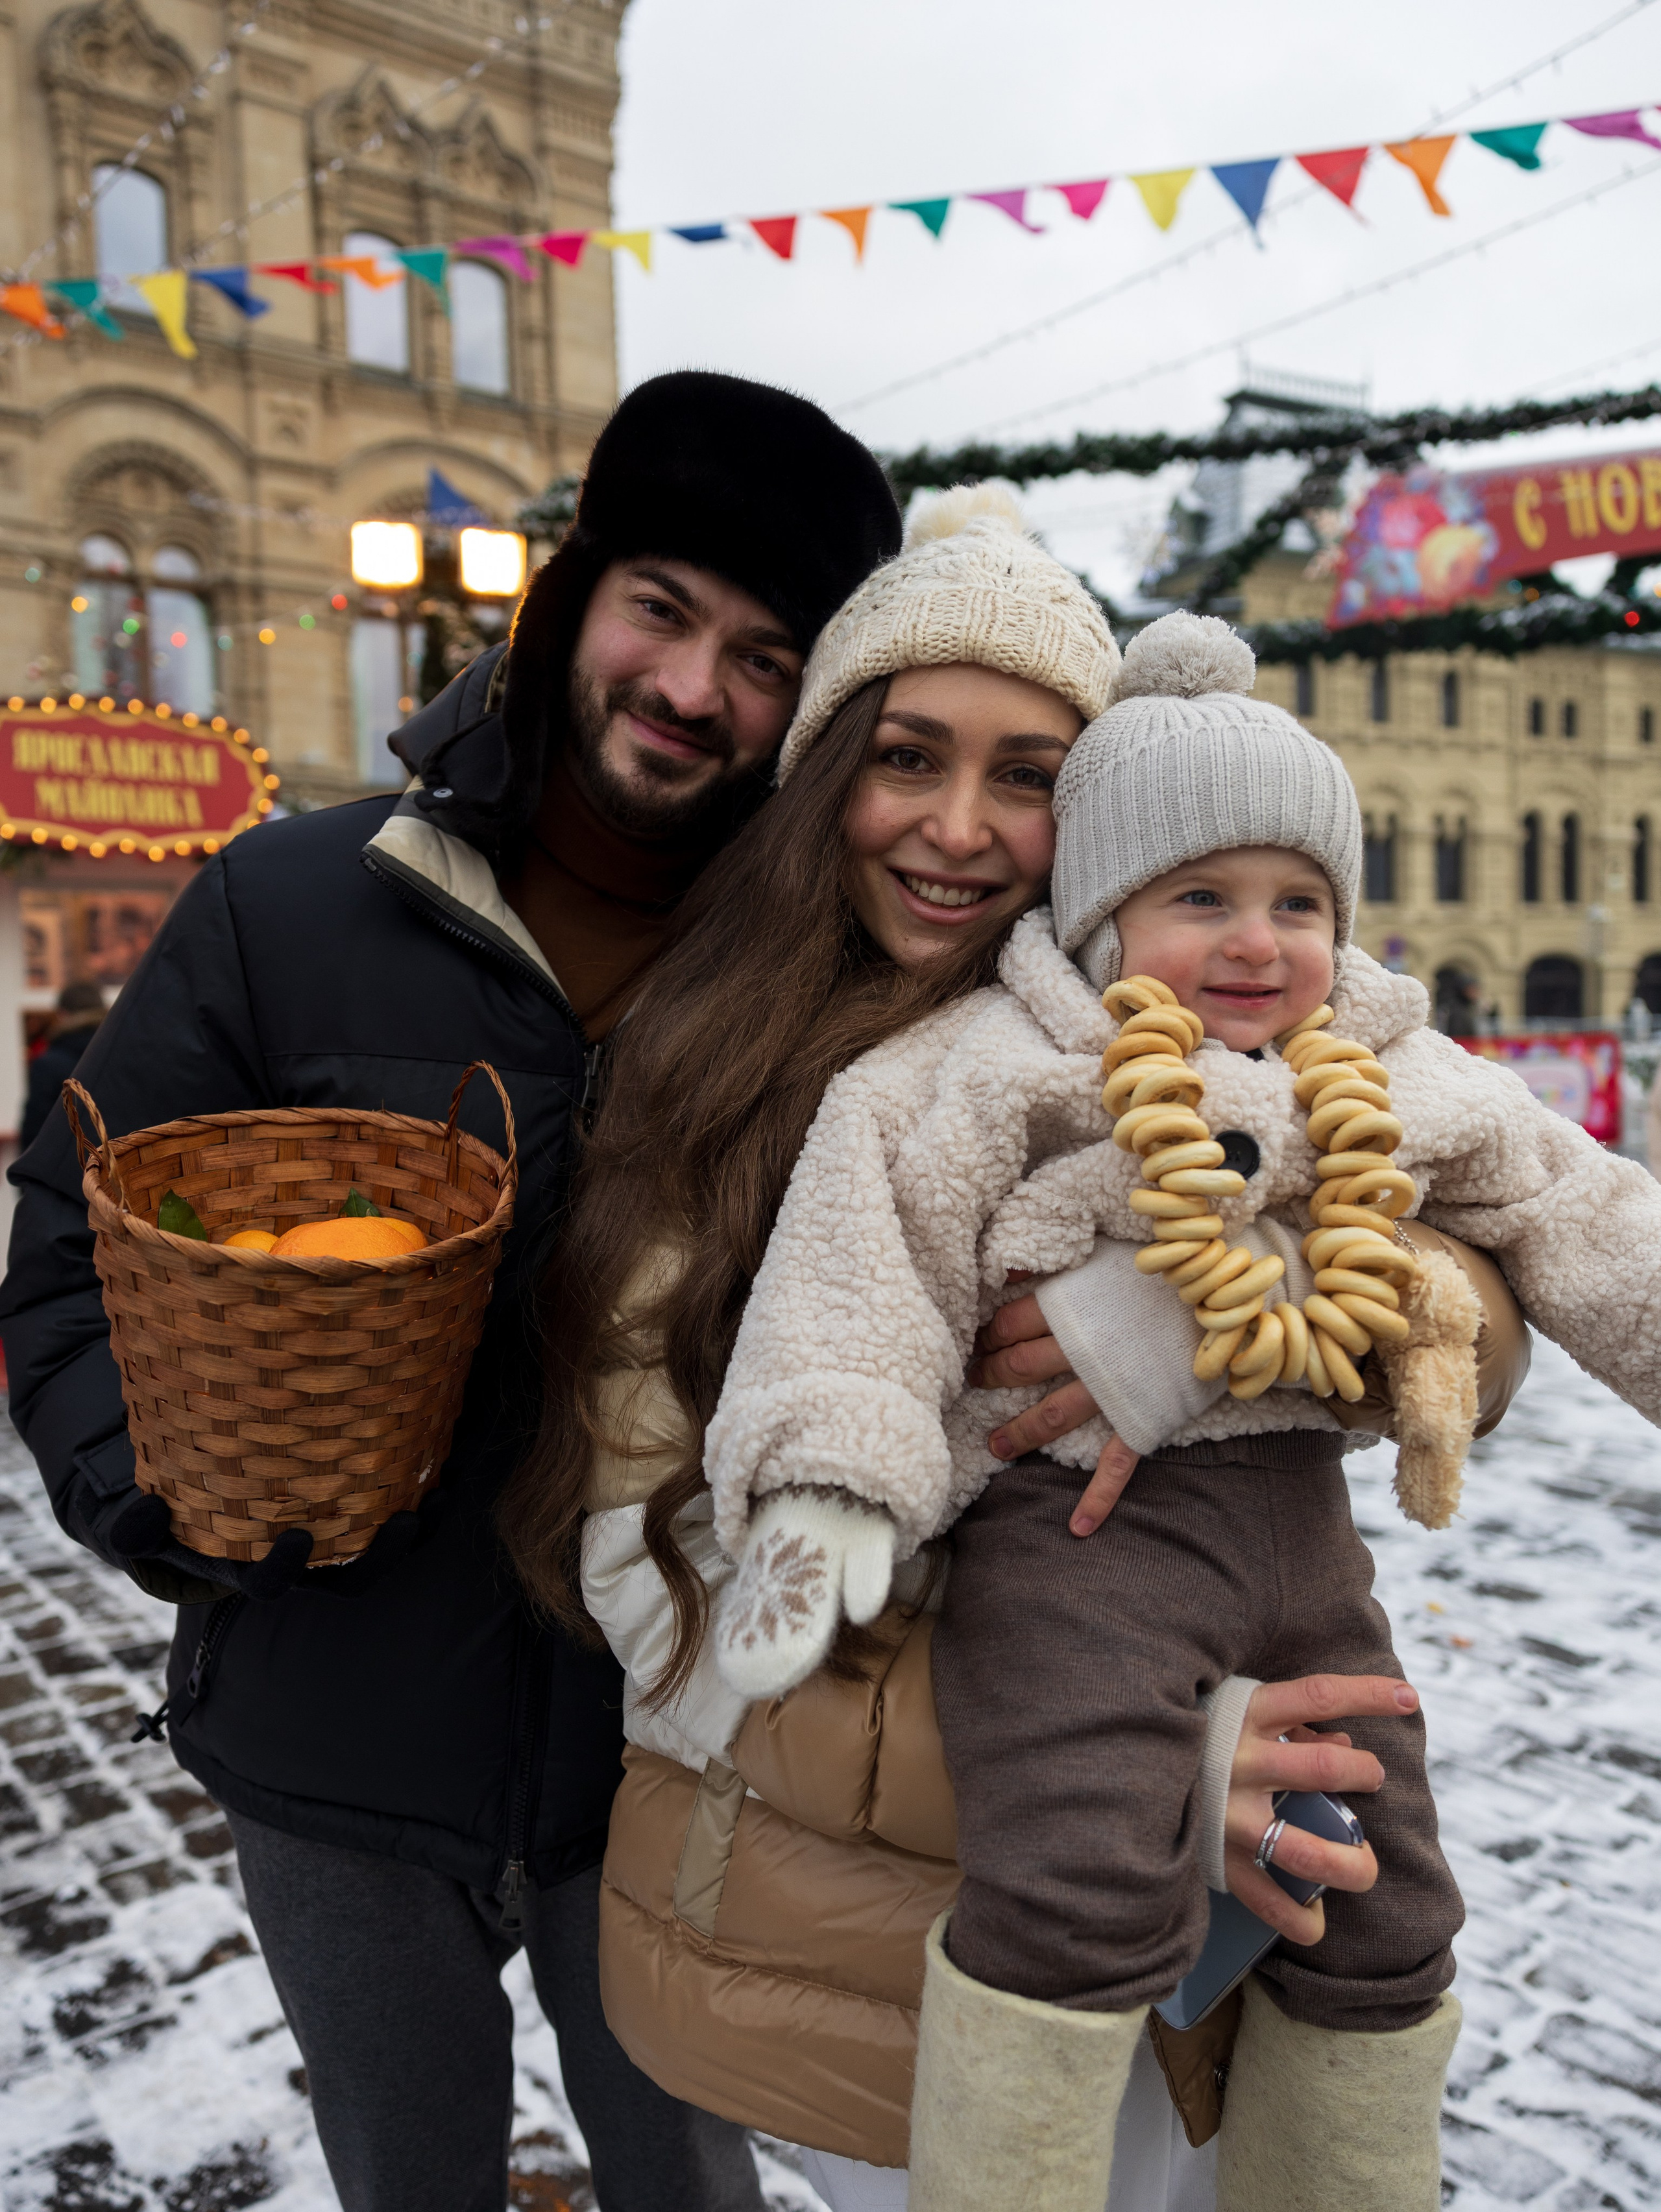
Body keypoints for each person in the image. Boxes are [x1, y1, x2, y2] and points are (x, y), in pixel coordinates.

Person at [502, 494, 1515, 2210]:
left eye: (1031, 774)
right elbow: (662, 1607)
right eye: (907, 757)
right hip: (904, 1953)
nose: (960, 829)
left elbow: (1466, 1312)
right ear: (827, 781)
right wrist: (1149, 1764)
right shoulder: (714, 1096)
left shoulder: (1217, 1026)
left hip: (1211, 1949)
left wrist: (1205, 1317)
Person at [0, 370, 906, 2212]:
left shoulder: (823, 989)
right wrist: (159, 1495)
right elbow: (66, 1238)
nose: (689, 687)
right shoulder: (291, 901)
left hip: (667, 1760)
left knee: (690, 2188)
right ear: (570, 599)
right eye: (662, 610)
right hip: (331, 1742)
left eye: (760, 655)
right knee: (407, 2180)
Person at [705, 597, 1661, 2211]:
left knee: (1383, 1901)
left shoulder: (1384, 1063)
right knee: (1079, 1878)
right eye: (1199, 895)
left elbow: (1571, 1211)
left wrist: (1269, 1319)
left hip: (1300, 1540)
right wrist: (833, 1475)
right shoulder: (991, 1064)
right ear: (1095, 916)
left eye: (1298, 900)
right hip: (1071, 1541)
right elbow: (863, 1270)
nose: (1255, 939)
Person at [19, 978, 106, 1149]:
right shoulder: (119, 1054)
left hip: (68, 1169)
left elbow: (35, 1130)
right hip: (121, 1165)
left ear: (63, 1015)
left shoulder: (48, 1065)